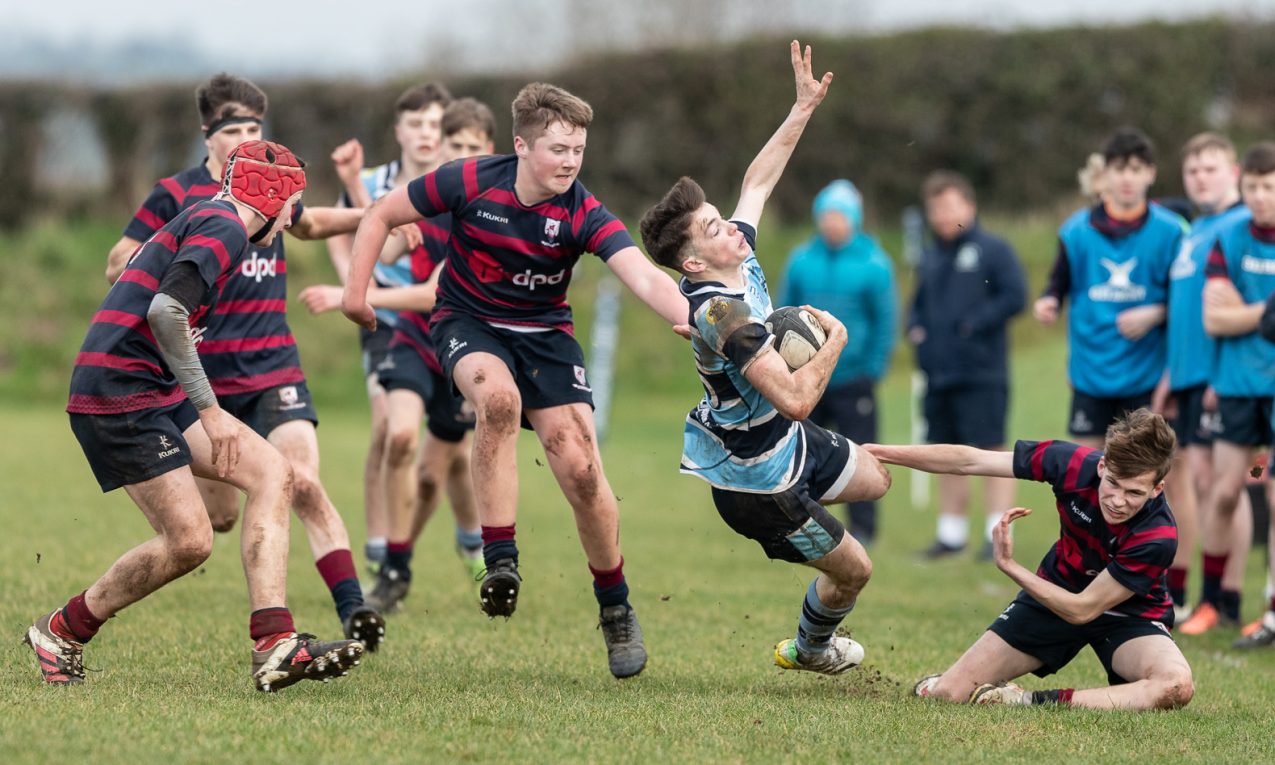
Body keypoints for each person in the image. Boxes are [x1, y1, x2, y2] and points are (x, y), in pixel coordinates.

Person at [341, 77, 692, 680]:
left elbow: (646, 278)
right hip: (468, 321)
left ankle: (616, 609)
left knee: (581, 469)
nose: (570, 162)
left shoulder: (581, 209)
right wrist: (357, 295)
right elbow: (379, 214)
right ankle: (499, 559)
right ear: (522, 146)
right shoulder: (470, 179)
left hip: (545, 336)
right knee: (497, 400)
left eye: (578, 150)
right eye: (558, 149)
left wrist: (694, 320)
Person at [27, 141, 364, 692]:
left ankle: (275, 644)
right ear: (273, 198)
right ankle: (60, 630)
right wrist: (212, 412)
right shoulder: (226, 226)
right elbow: (166, 310)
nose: (287, 223)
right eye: (291, 206)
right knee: (190, 541)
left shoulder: (211, 216)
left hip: (150, 385)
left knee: (273, 473)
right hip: (118, 391)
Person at [104, 73, 384, 650]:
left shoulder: (272, 184)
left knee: (298, 479)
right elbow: (120, 262)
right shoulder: (180, 197)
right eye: (234, 129)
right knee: (220, 520)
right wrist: (157, 260)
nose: (245, 138)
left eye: (255, 127)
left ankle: (356, 610)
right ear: (208, 135)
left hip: (273, 364)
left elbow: (309, 223)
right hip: (205, 374)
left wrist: (380, 214)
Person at [639, 41, 892, 677]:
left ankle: (808, 533)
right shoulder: (722, 316)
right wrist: (834, 341)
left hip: (786, 442)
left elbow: (757, 179)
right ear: (694, 262)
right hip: (756, 480)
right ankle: (809, 648)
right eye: (713, 229)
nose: (731, 228)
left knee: (876, 481)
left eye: (720, 219)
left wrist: (802, 106)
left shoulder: (732, 255)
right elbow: (799, 399)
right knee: (856, 570)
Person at [871, 409, 1193, 710]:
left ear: (1156, 488)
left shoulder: (1158, 535)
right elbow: (971, 461)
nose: (1118, 502)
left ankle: (1026, 700)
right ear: (1102, 466)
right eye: (1113, 484)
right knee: (948, 694)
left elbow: (1082, 609)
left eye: (1134, 493)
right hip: (1053, 595)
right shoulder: (1071, 464)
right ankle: (949, 681)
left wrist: (1010, 566)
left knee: (1175, 685)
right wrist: (878, 452)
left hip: (1129, 615)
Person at [331, 98, 497, 612]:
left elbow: (433, 291)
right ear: (440, 149)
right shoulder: (426, 200)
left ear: (488, 151)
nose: (463, 154)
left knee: (435, 473)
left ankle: (468, 543)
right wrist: (363, 197)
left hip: (466, 347)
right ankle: (393, 567)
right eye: (455, 145)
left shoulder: (496, 210)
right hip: (408, 339)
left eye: (473, 148)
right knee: (398, 433)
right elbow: (383, 248)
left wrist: (362, 297)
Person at [316, 83, 455, 576]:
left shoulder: (454, 183)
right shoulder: (372, 179)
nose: (425, 134)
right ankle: (378, 545)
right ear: (398, 130)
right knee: (387, 428)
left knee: (449, 447)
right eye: (415, 124)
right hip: (384, 318)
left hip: (441, 319)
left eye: (434, 124)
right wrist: (355, 288)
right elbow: (342, 236)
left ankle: (469, 541)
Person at [1034, 128, 1185, 447]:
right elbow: (1057, 282)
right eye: (1119, 169)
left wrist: (1157, 312)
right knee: (1085, 470)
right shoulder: (1076, 230)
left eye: (1135, 169)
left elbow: (1187, 301)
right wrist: (1048, 301)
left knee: (1146, 472)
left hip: (1147, 373)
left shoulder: (1171, 231)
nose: (1127, 178)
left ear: (1150, 174)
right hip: (1091, 371)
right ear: (1105, 174)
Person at [1158, 132, 1252, 628]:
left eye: (1211, 168)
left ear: (1234, 172)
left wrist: (1221, 372)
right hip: (1189, 377)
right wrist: (1173, 374)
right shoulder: (1194, 230)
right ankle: (1197, 597)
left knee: (1224, 486)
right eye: (1193, 170)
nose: (1200, 178)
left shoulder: (1242, 226)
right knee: (1195, 481)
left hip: (1225, 375)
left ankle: (1228, 596)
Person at [908, 170, 1026, 559]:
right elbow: (919, 304)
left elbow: (1015, 296)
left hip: (982, 372)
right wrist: (915, 330)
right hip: (939, 373)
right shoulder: (929, 255)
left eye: (949, 206)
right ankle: (951, 534)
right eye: (935, 208)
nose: (942, 215)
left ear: (969, 207)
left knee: (991, 450)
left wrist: (973, 324)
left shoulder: (993, 249)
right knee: (944, 451)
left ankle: (998, 534)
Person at [1185, 142, 1275, 638]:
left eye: (1268, 186)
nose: (1259, 196)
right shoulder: (1229, 239)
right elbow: (1213, 318)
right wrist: (1267, 313)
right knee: (1223, 492)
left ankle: (1272, 608)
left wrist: (1241, 309)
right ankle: (1216, 600)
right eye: (1253, 187)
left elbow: (1229, 312)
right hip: (1237, 385)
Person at [778, 179, 895, 546]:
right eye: (826, 215)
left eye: (839, 216)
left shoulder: (875, 263)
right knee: (800, 449)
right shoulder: (801, 259)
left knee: (862, 450)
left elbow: (886, 320)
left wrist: (872, 368)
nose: (832, 222)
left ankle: (864, 529)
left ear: (854, 219)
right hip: (806, 380)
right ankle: (800, 523)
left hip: (853, 377)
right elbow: (782, 312)